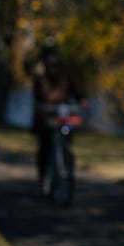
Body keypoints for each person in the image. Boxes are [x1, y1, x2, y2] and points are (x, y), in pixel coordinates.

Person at [31, 45, 86, 192]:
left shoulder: (67, 79)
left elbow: (78, 94)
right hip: (47, 121)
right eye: (50, 65)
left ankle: (67, 164)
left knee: (66, 136)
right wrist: (42, 108)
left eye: (56, 65)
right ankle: (43, 176)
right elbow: (37, 99)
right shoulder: (40, 80)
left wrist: (82, 103)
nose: (53, 68)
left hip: (65, 121)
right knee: (45, 145)